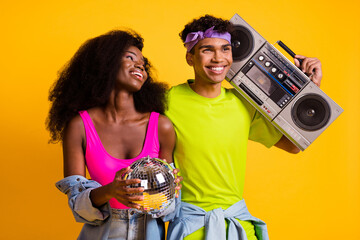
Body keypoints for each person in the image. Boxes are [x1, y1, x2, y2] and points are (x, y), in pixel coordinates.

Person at [165, 15, 322, 240]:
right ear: (190, 57)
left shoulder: (245, 103)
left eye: (225, 49)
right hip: (190, 228)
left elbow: (294, 145)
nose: (218, 58)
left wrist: (311, 90)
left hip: (238, 228)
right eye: (207, 50)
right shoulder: (166, 101)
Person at [46, 29, 182, 240]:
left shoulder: (160, 126)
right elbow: (77, 204)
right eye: (130, 57)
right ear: (106, 61)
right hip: (102, 233)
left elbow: (168, 209)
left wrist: (169, 192)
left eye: (143, 64)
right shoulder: (79, 126)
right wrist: (111, 190)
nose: (140, 66)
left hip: (149, 233)